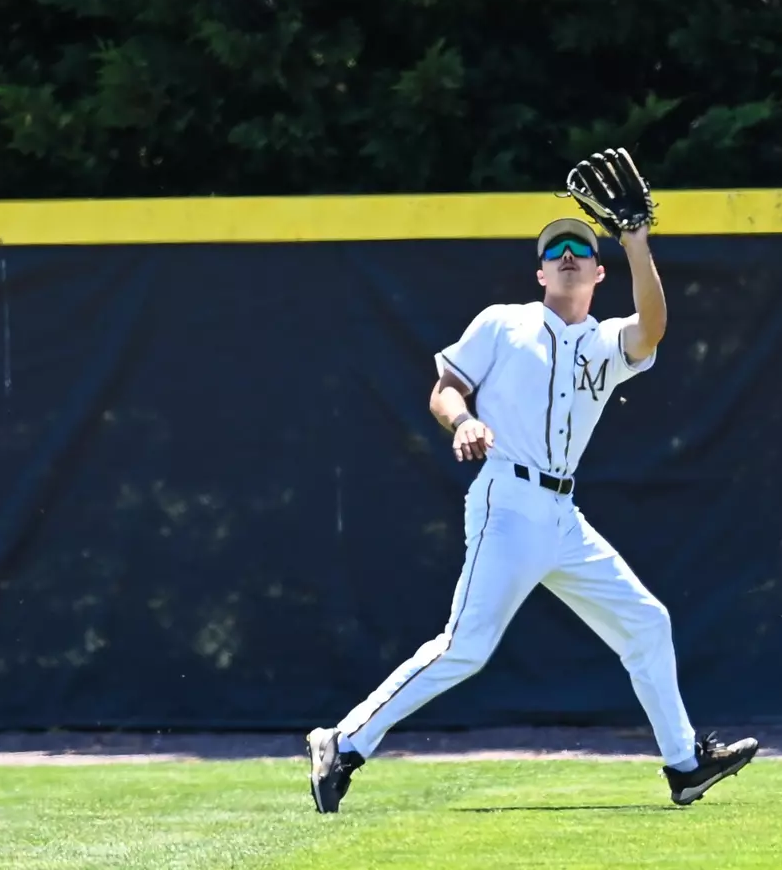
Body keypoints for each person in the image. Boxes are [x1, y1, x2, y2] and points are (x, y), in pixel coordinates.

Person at [306, 215, 758, 812]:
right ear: (540, 271)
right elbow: (445, 388)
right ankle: (343, 742)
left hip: (563, 515)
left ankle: (684, 764)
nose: (567, 253)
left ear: (600, 271)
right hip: (509, 498)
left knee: (647, 622)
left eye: (580, 248)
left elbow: (653, 328)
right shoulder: (502, 322)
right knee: (466, 644)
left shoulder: (606, 342)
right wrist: (464, 420)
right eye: (555, 250)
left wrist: (636, 242)